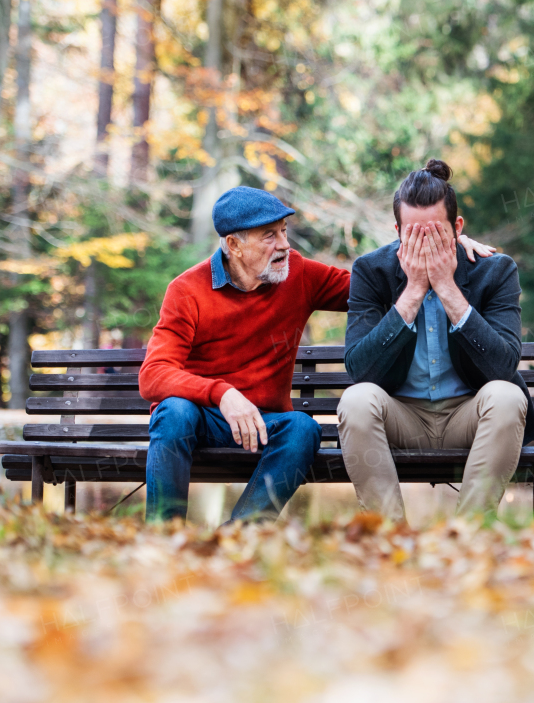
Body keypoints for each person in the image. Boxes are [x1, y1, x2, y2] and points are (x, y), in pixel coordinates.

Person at [138, 185, 494, 522]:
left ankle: (242, 535)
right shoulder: (187, 290)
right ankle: (163, 537)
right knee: (174, 411)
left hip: (265, 425)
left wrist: (440, 244)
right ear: (234, 245)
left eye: (283, 231)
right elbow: (153, 374)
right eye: (269, 236)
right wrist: (223, 394)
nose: (284, 245)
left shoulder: (298, 274)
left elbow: (374, 283)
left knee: (303, 429)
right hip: (205, 420)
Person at [339, 159, 534, 522]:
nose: (425, 245)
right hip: (401, 417)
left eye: (435, 233)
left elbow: (502, 365)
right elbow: (360, 369)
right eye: (414, 236)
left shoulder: (494, 270)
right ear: (397, 231)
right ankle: (390, 540)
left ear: (457, 227)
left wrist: (448, 289)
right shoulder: (372, 272)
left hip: (470, 414)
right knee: (356, 400)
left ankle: (467, 537)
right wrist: (414, 290)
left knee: (508, 395)